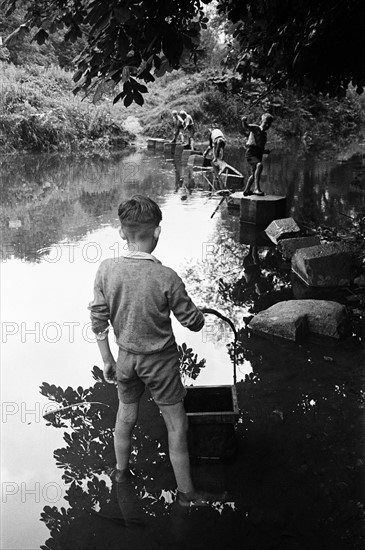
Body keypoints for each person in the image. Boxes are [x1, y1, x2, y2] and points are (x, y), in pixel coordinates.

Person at [88, 195, 209, 509]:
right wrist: (200, 315)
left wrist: (107, 360)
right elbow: (192, 322)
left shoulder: (106, 270)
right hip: (161, 363)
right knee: (176, 424)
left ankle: (121, 473)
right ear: (157, 232)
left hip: (126, 358)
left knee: (125, 416)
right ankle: (186, 494)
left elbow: (97, 319)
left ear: (121, 232)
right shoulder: (166, 276)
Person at [241, 112, 273, 196]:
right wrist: (244, 121)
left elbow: (260, 148)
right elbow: (246, 126)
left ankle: (247, 190)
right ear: (261, 121)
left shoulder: (264, 135)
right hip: (251, 153)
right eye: (265, 123)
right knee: (259, 165)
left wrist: (265, 151)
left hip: (258, 154)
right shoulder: (255, 128)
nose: (267, 125)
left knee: (254, 174)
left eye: (269, 124)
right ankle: (256, 189)